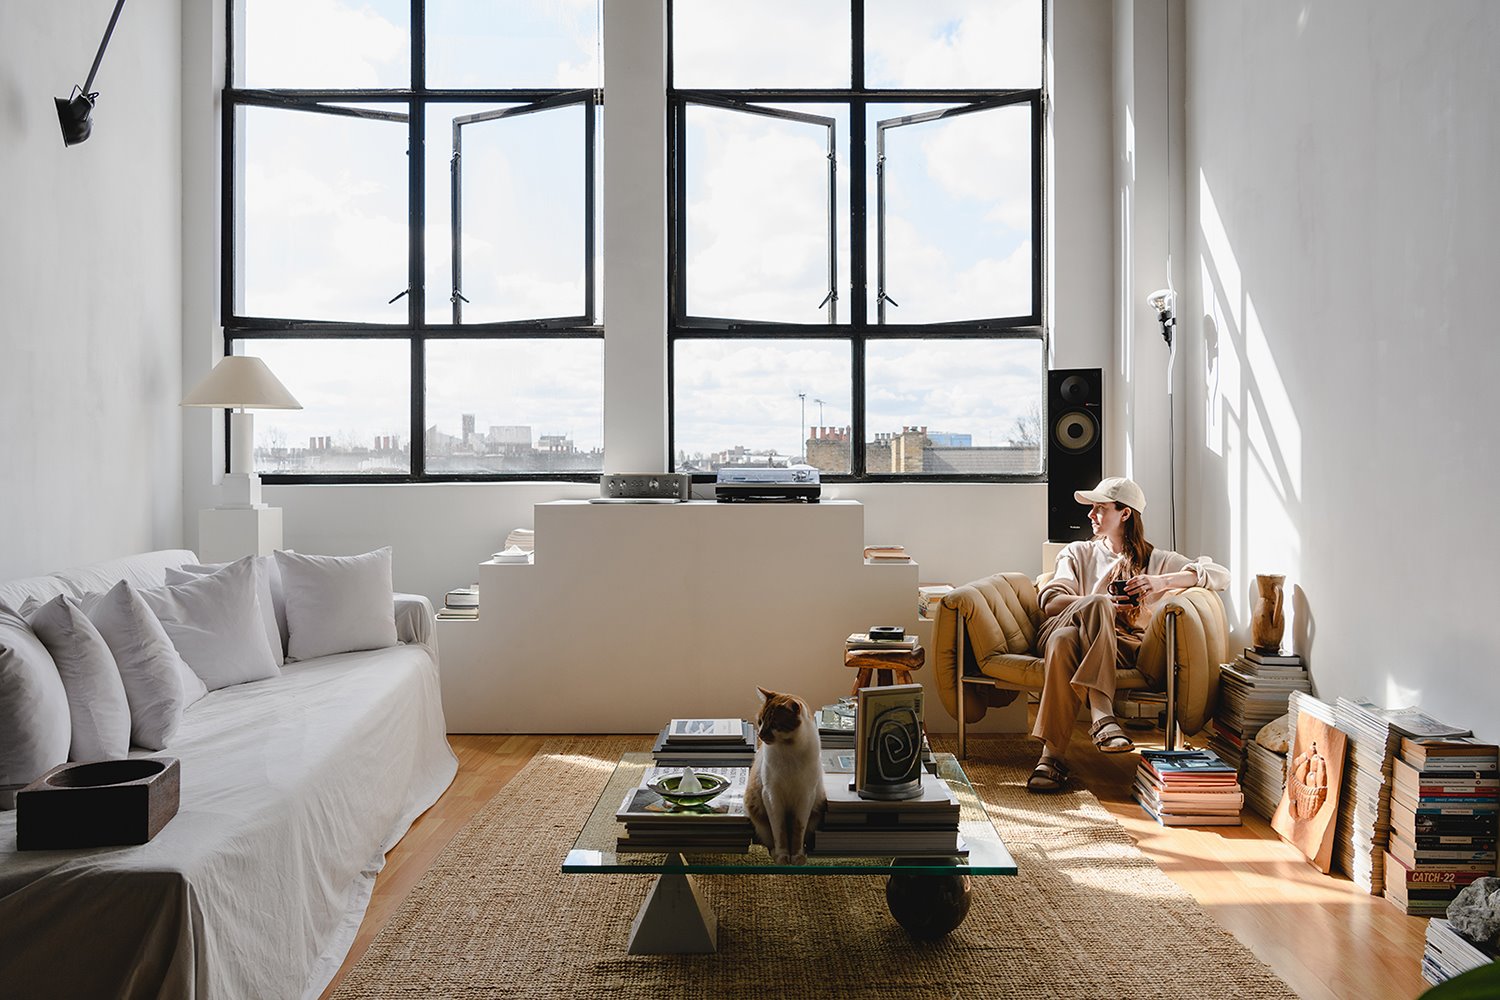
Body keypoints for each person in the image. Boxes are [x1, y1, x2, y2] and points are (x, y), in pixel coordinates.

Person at [1026, 477, 1228, 793]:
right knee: (1081, 618)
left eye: (1100, 508)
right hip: (1063, 624)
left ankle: (1050, 758)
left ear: (1125, 514)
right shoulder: (1078, 552)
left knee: (1065, 643)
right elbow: (1050, 602)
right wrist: (1099, 605)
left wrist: (1160, 583)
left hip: (1119, 645)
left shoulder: (1158, 561)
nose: (1091, 515)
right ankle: (1103, 716)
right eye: (1091, 509)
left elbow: (1220, 575)